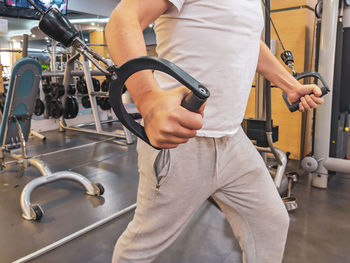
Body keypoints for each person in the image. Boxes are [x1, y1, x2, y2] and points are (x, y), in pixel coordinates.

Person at [105, 0, 324, 262]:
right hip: (184, 143)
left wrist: (290, 86)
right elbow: (124, 19)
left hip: (234, 140)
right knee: (142, 246)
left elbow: (248, 42)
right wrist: (149, 99)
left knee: (271, 223)